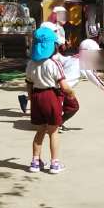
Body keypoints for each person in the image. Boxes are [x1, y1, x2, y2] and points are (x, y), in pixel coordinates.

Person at [25, 26, 77, 174]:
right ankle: (55, 163)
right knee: (53, 131)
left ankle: (35, 162)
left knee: (40, 131)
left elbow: (28, 84)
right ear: (53, 46)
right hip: (51, 96)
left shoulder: (30, 64)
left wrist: (31, 98)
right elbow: (64, 86)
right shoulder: (53, 63)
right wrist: (71, 93)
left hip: (36, 96)